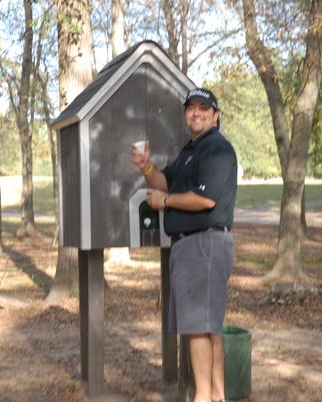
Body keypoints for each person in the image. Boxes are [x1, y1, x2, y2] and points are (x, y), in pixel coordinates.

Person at [131, 87, 237, 402]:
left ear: (216, 116)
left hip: (204, 245)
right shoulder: (191, 151)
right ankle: (216, 396)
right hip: (193, 247)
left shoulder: (217, 149)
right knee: (208, 327)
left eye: (203, 108)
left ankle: (202, 397)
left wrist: (165, 202)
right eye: (191, 108)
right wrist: (146, 166)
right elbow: (164, 182)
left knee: (198, 328)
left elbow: (205, 199)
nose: (196, 113)